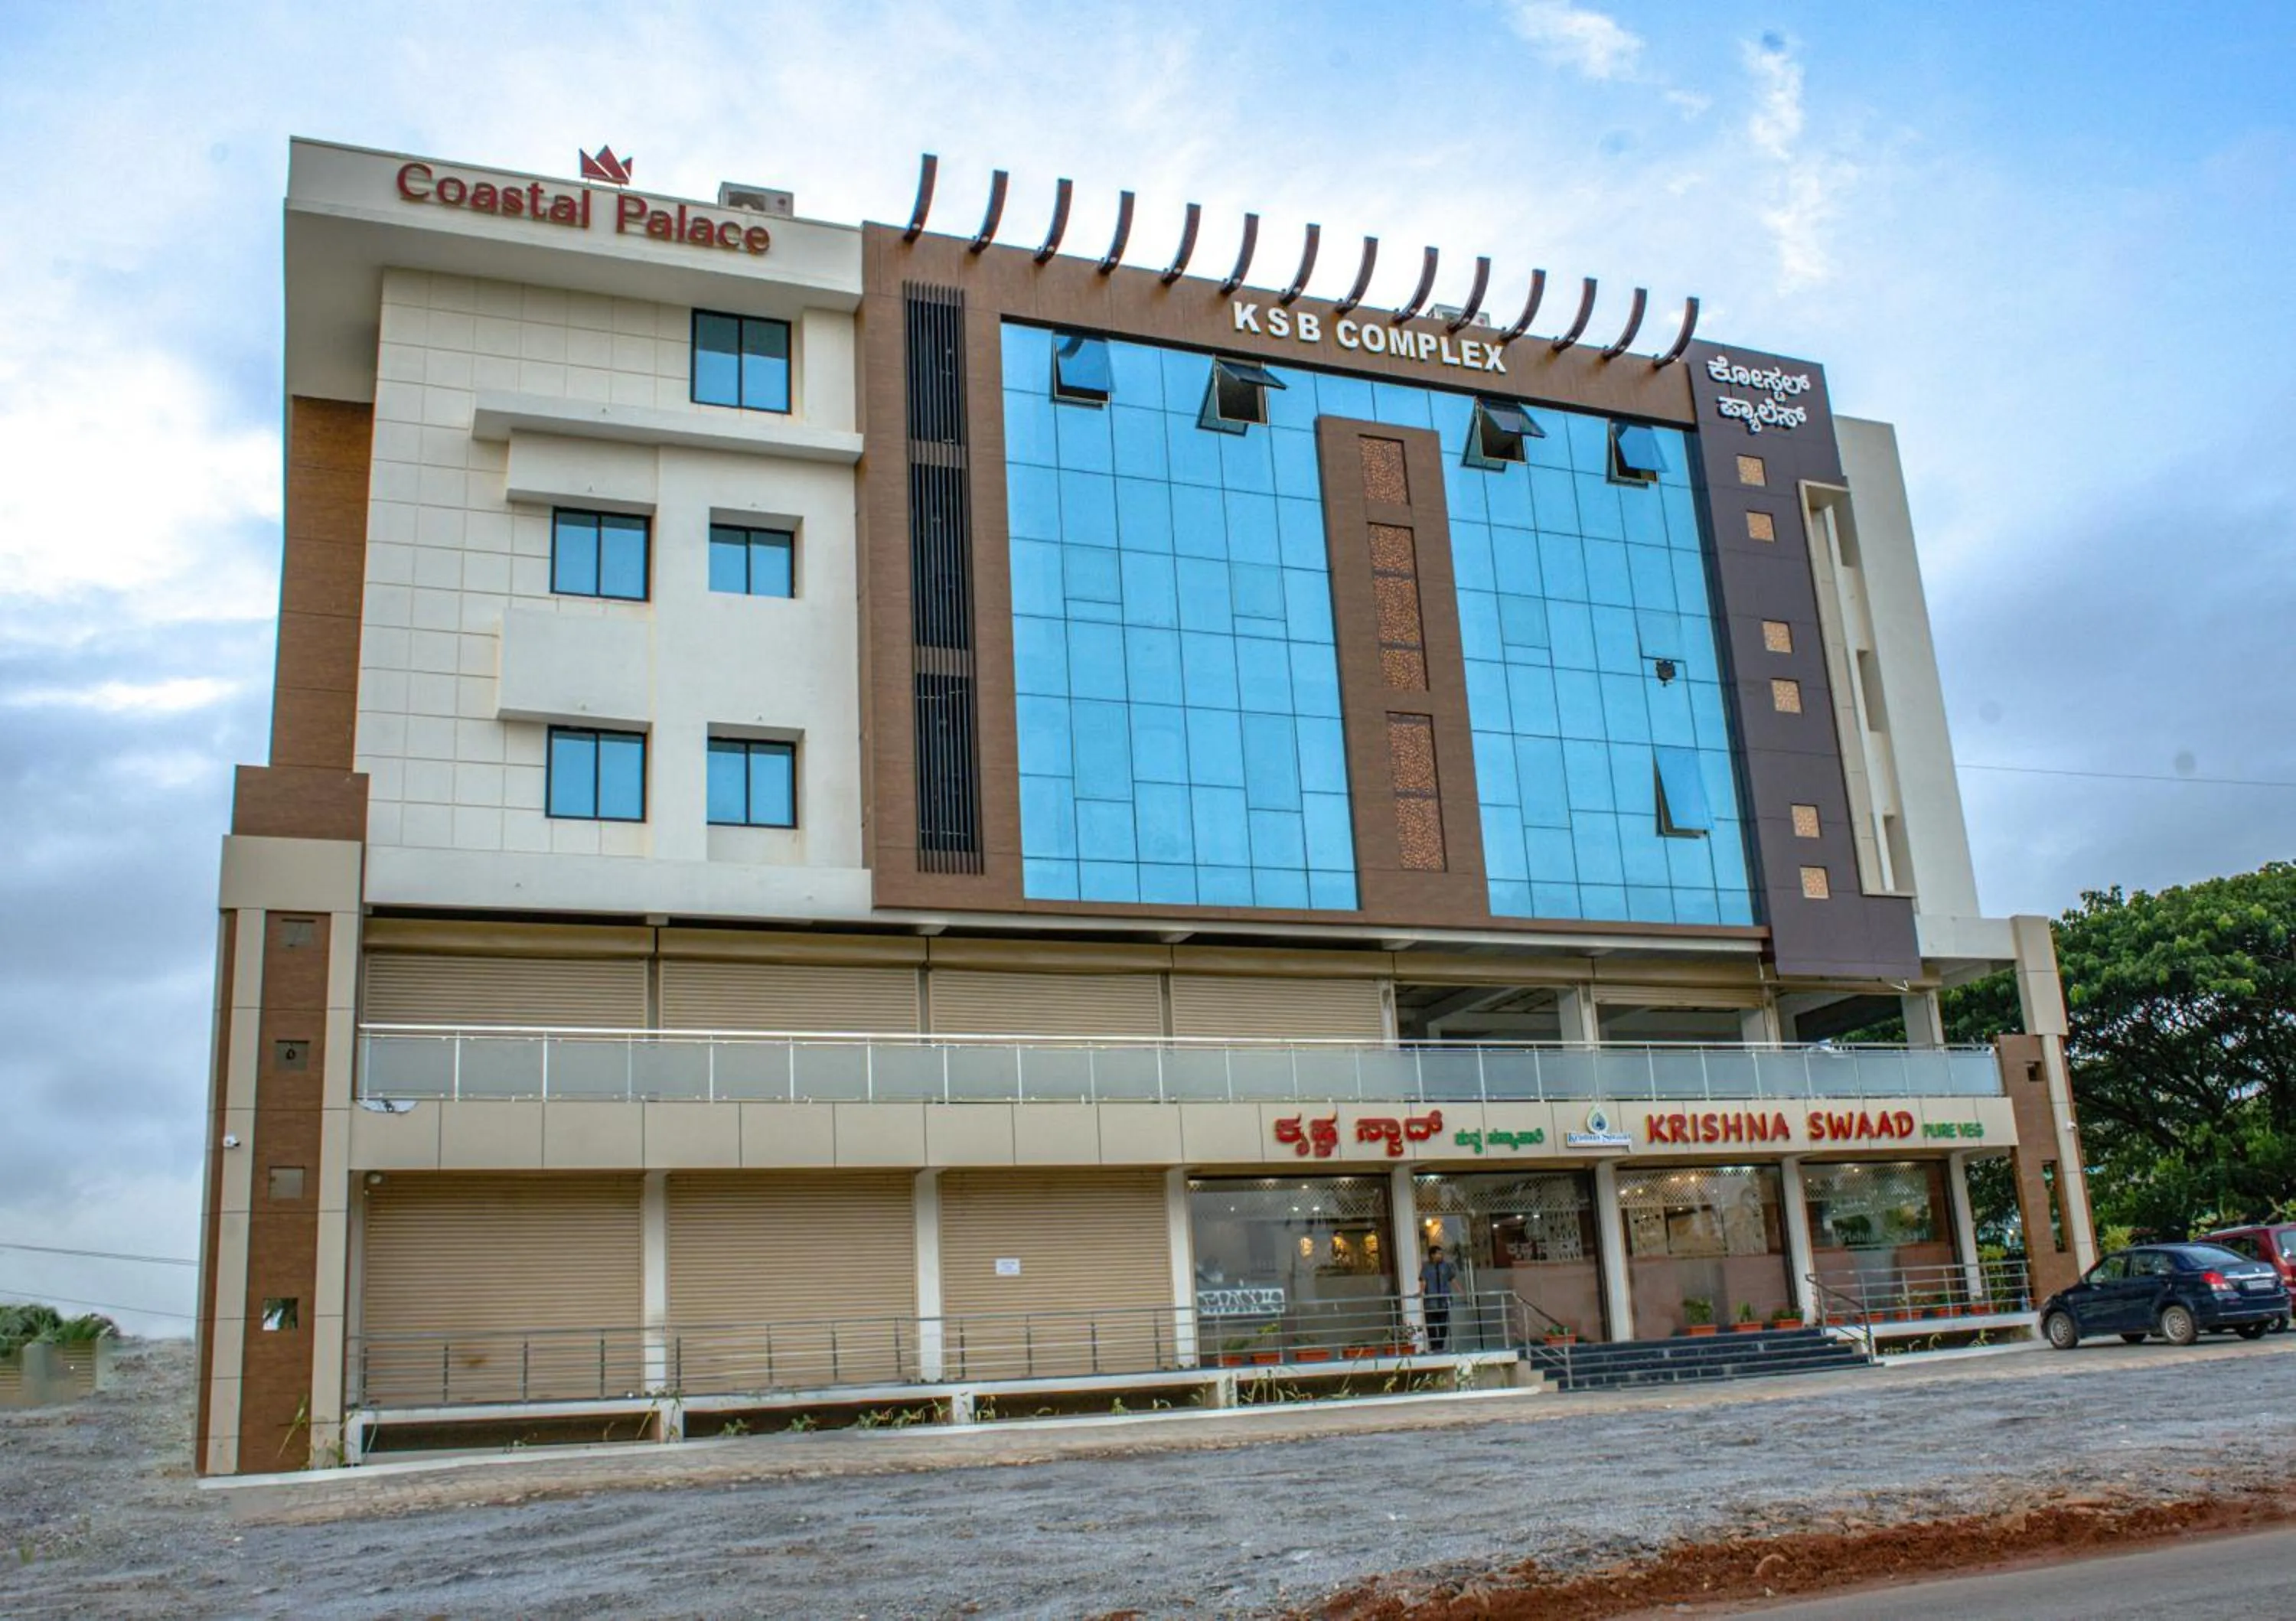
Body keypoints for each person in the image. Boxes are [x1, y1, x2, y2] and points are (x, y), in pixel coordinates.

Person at [1420, 1243, 1457, 1351]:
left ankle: (1440, 1346)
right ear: (1432, 1255)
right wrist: (1420, 1292)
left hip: (1443, 1301)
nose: (1441, 1256)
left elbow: (1452, 1279)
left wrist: (1461, 1291)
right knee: (1431, 1325)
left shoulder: (1446, 1266)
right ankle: (1434, 1346)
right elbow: (1423, 1280)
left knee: (1442, 1325)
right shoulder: (1426, 1267)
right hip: (1431, 1302)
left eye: (1441, 1254)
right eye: (1438, 1254)